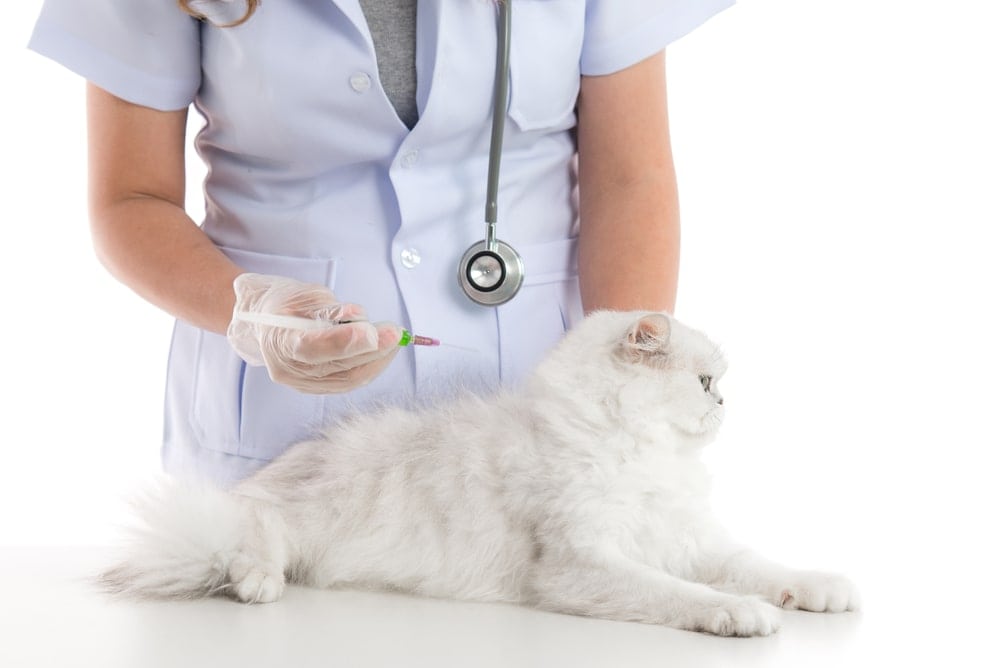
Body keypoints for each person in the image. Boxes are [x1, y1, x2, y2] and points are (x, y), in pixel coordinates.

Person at [29, 0, 733, 486]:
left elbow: (631, 179)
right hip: (284, 448)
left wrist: (630, 387)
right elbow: (130, 200)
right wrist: (245, 308)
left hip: (538, 425)